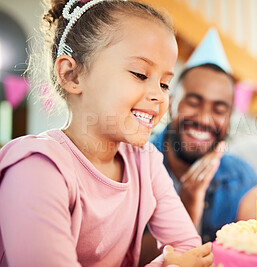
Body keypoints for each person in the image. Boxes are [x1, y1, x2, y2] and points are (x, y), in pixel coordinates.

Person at [0, 0, 214, 266]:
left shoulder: (145, 162)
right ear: (72, 75)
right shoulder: (36, 169)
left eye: (164, 84)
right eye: (139, 74)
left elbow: (190, 253)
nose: (158, 95)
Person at [139, 29, 257, 265]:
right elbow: (130, 259)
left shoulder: (242, 177)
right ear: (172, 103)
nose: (205, 119)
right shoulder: (136, 165)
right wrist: (186, 205)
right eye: (194, 103)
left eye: (219, 109)